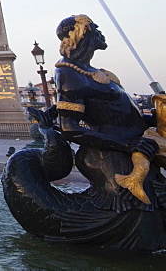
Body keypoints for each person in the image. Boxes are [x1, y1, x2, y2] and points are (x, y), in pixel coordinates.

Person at [54, 14, 165, 206]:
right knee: (137, 214)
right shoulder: (69, 73)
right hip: (115, 157)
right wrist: (127, 144)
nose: (99, 32)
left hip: (138, 148)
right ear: (81, 34)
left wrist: (158, 116)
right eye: (94, 28)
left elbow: (123, 117)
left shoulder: (98, 72)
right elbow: (69, 128)